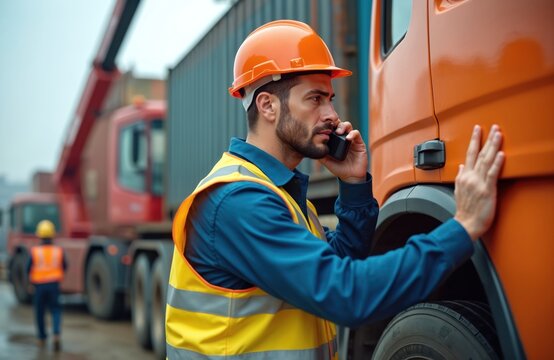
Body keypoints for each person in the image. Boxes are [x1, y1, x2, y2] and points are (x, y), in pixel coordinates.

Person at [165, 20, 505, 359]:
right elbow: (348, 295)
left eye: (329, 99)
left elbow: (339, 263)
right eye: (314, 99)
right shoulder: (237, 201)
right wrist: (463, 227)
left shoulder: (281, 196)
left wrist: (354, 185)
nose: (332, 114)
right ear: (268, 105)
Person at [27, 220, 67, 351]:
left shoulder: (35, 251)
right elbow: (65, 266)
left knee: (40, 312)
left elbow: (29, 268)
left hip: (39, 286)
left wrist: (30, 283)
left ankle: (41, 337)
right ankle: (56, 335)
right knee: (55, 310)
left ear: (39, 235)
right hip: (54, 284)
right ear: (52, 235)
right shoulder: (58, 250)